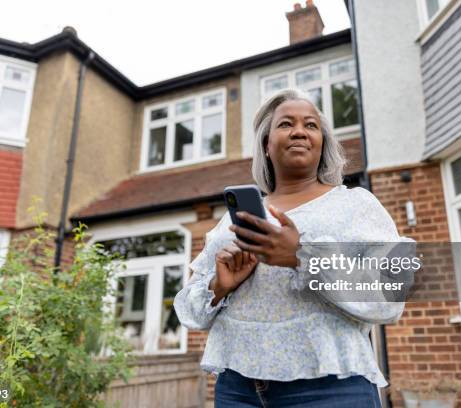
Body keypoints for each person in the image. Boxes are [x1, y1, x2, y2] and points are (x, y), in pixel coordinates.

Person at [173, 88, 413, 407]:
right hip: (237, 389)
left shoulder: (357, 205)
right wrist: (219, 286)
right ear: (267, 145)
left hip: (330, 387)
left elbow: (391, 296)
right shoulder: (234, 220)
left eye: (310, 125)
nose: (299, 131)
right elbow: (190, 311)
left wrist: (302, 257)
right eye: (286, 124)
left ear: (322, 143)